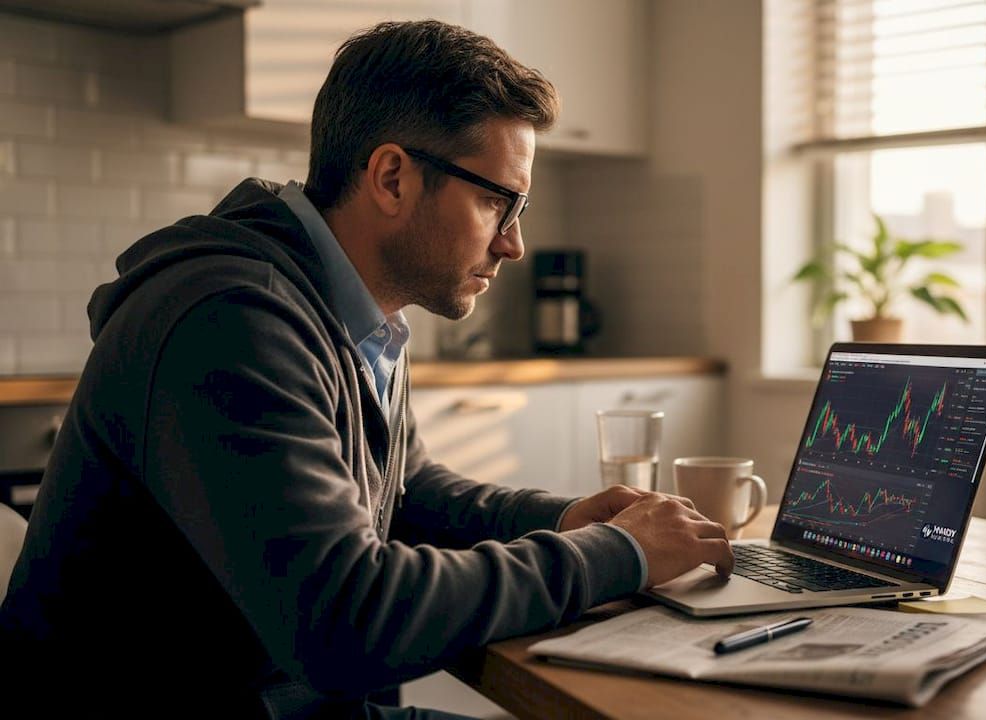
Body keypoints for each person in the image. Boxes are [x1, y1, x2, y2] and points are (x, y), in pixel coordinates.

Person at [0, 20, 733, 718]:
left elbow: (406, 490)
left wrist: (563, 519)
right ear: (391, 178)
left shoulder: (351, 309)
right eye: (496, 201)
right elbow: (346, 619)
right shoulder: (231, 321)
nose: (513, 244)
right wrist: (617, 554)